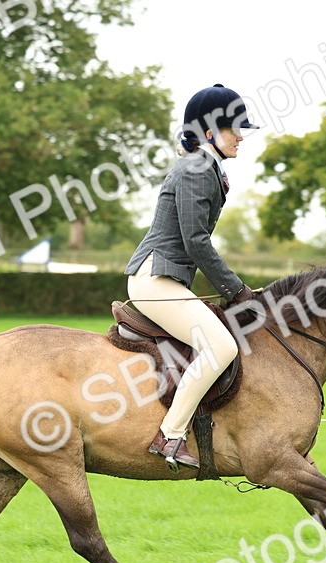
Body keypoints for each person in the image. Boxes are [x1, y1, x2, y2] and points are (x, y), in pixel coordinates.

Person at [123, 83, 260, 470]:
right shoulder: (197, 169)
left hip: (166, 278)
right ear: (211, 132)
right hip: (154, 278)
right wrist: (236, 291)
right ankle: (170, 435)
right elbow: (196, 241)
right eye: (236, 129)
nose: (241, 138)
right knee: (221, 347)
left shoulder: (204, 167)